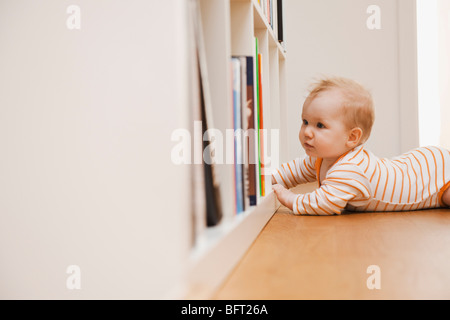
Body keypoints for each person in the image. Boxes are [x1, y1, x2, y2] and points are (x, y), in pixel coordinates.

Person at [272, 76, 450, 215]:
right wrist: (266, 178)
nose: (307, 132)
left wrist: (289, 198)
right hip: (418, 163)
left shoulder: (350, 168)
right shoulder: (321, 158)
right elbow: (293, 171)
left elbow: (323, 204)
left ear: (352, 137)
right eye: (305, 121)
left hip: (432, 172)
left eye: (320, 125)